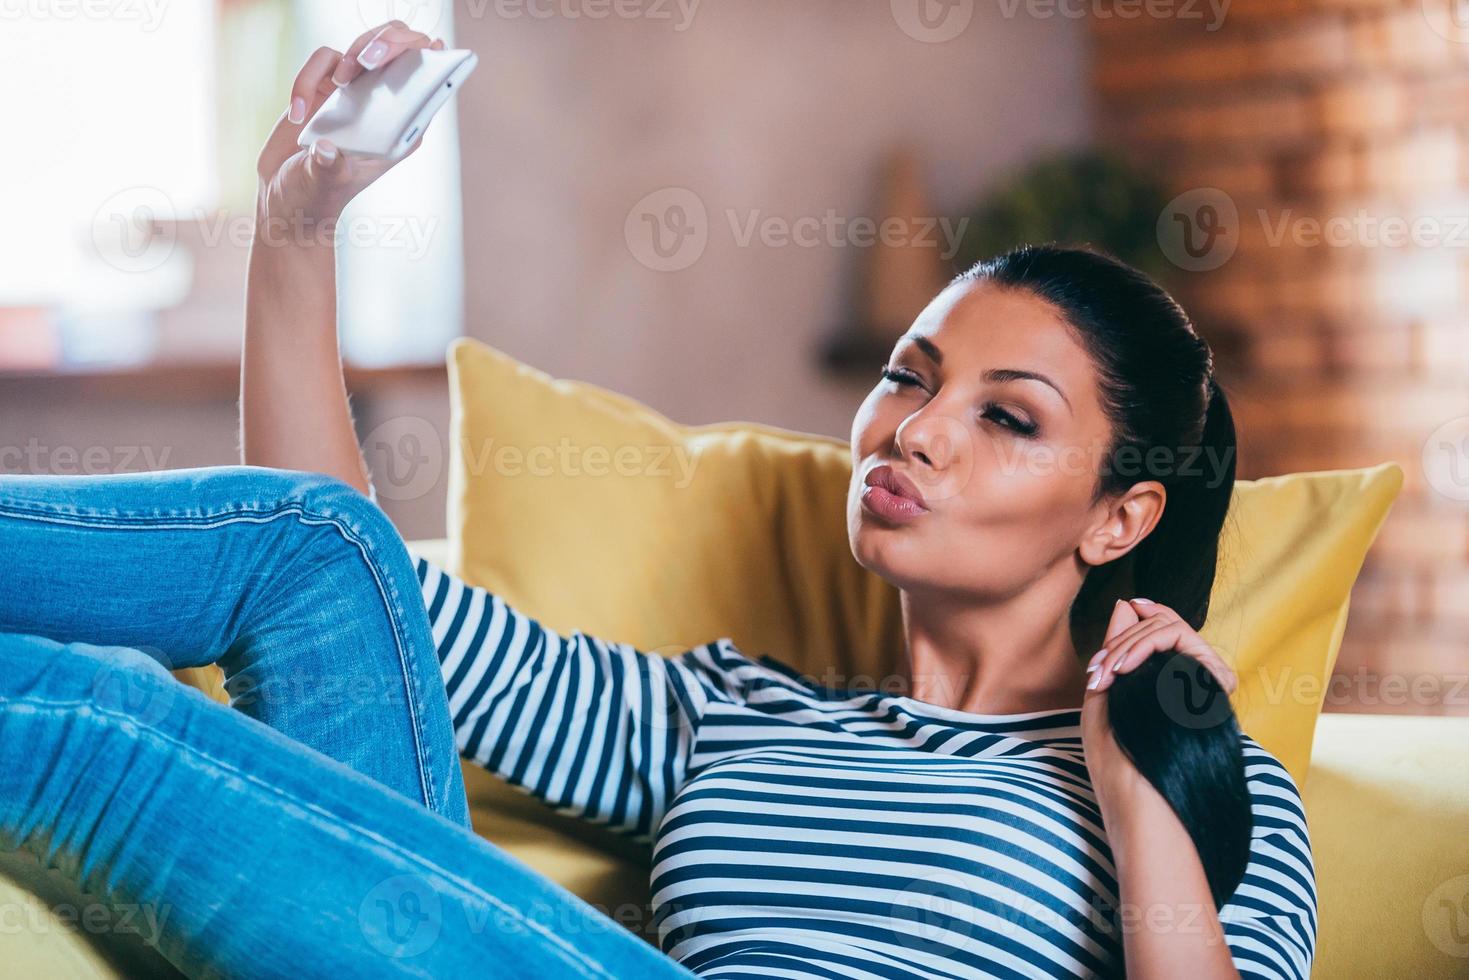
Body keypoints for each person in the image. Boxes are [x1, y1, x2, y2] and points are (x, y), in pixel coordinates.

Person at [0, 20, 1315, 980]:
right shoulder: (722, 714)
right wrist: (297, 233)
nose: (913, 429)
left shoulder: (1202, 784)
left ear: (1117, 518)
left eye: (1005, 417)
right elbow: (368, 606)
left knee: (100, 719)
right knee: (327, 547)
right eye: (909, 378)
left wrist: (1145, 804)